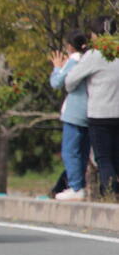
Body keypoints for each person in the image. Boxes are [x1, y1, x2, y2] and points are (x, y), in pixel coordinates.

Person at [65, 17, 119, 197]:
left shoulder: (95, 55)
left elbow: (70, 81)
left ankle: (109, 195)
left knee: (104, 159)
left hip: (100, 114)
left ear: (96, 35)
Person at [49, 31, 90, 200]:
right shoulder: (90, 60)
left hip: (74, 113)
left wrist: (58, 67)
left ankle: (75, 187)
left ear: (69, 47)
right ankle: (79, 185)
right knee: (83, 152)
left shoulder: (74, 60)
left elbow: (56, 82)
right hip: (92, 112)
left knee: (70, 152)